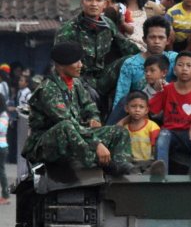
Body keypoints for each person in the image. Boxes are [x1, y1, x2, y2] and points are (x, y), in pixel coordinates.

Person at [22, 42, 133, 176]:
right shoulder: (48, 90)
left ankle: (122, 166)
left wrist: (93, 119)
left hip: (76, 135)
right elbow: (67, 121)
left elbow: (89, 105)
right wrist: (96, 143)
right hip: (45, 145)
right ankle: (104, 164)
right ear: (61, 65)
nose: (81, 65)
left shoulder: (75, 83)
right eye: (76, 62)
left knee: (118, 131)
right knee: (66, 126)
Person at [55, 0, 140, 103]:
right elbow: (61, 66)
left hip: (102, 77)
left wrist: (148, 57)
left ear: (104, 4)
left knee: (132, 61)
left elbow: (126, 45)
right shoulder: (68, 30)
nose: (94, 4)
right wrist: (81, 86)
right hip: (79, 79)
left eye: (98, 0)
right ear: (82, 3)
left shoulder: (108, 24)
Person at [149, 50, 191, 179]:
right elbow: (152, 111)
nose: (184, 69)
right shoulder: (166, 89)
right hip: (171, 133)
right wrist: (156, 90)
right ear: (174, 69)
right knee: (162, 135)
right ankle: (161, 172)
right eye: (180, 65)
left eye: (189, 66)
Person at [109, 16, 177, 123]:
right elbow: (120, 97)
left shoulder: (174, 59)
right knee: (124, 100)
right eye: (152, 37)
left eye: (161, 37)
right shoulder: (131, 64)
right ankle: (110, 134)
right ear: (144, 39)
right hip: (138, 113)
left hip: (168, 112)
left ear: (168, 40)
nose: (156, 41)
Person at [117, 90, 164, 175]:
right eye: (133, 106)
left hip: (148, 162)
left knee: (154, 167)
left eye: (141, 107)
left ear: (146, 110)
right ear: (126, 108)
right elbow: (116, 131)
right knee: (123, 166)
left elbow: (156, 150)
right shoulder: (125, 128)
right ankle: (136, 174)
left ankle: (143, 176)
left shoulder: (152, 127)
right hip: (132, 163)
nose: (137, 110)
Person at [0, 106, 9, 202]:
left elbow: (0, 128)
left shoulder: (3, 116)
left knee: (1, 171)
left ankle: (5, 195)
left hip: (1, 146)